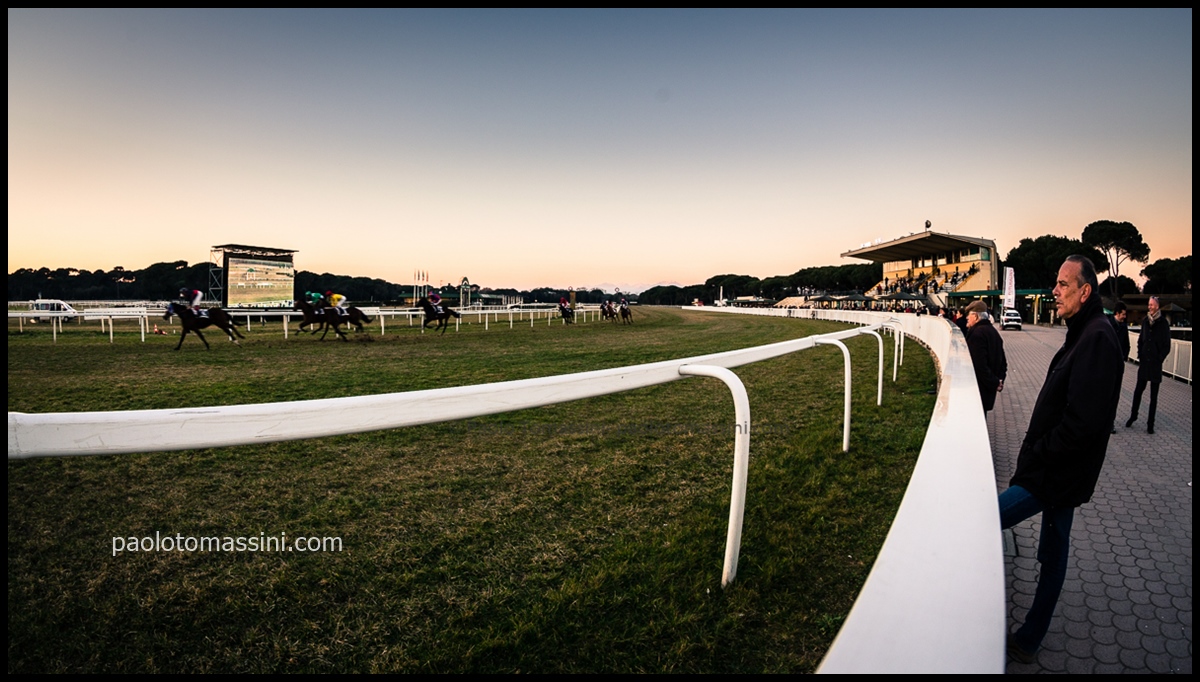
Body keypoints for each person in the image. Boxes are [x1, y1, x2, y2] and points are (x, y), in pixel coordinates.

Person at [999, 255, 1124, 663]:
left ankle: (984, 619)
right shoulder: (1086, 331)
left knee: (986, 520)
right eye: (1055, 283)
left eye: (1063, 284)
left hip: (1053, 473)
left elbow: (1082, 423)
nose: (1055, 291)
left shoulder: (1097, 337)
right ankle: (1029, 640)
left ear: (1085, 291)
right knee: (1054, 554)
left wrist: (1039, 452)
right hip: (1060, 471)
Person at [1125, 296, 1172, 434]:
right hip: (1145, 362)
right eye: (1149, 305)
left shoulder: (1163, 323)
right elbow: (1141, 340)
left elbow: (1167, 345)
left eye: (1151, 305)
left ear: (1157, 306)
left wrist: (1160, 358)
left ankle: (1150, 423)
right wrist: (1140, 354)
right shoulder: (1146, 321)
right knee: (1138, 391)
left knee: (1153, 396)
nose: (1149, 307)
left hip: (1155, 364)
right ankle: (1133, 416)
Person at [964, 300, 1007, 412]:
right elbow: (1003, 362)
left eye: (969, 315)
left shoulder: (977, 334)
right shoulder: (993, 332)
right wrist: (1000, 380)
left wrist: (995, 382)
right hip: (988, 393)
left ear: (975, 316)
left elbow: (979, 366)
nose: (967, 318)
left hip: (978, 391)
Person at [1108, 302, 1130, 434]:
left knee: (1114, 396)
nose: (1125, 317)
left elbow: (1126, 344)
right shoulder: (1107, 324)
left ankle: (1110, 423)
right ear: (1117, 313)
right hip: (1106, 366)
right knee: (1105, 394)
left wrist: (1123, 357)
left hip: (1118, 366)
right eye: (1123, 314)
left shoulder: (1123, 327)